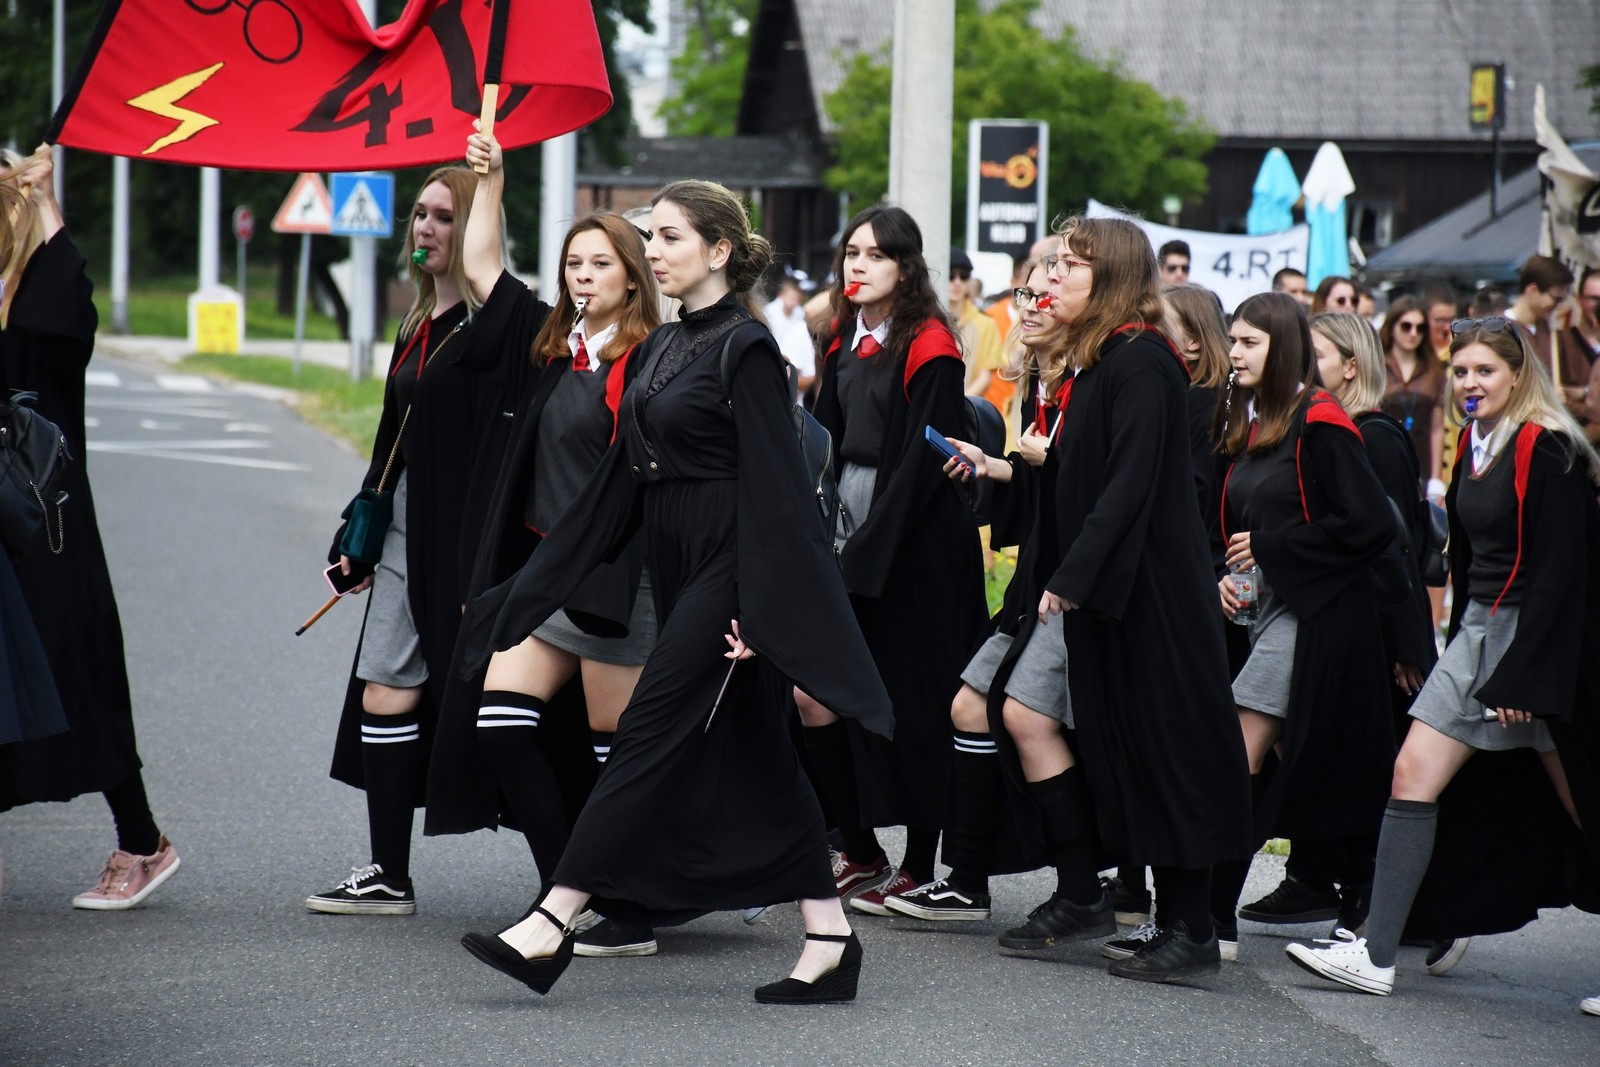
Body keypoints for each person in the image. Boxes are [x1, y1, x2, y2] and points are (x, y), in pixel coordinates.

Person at [456, 179, 893, 1004]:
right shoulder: (658, 348)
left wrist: (764, 611)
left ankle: (552, 920)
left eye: (668, 238)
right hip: (681, 566)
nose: (651, 251)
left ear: (719, 250)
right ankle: (831, 938)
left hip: (732, 575)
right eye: (649, 238)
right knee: (764, 757)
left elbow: (781, 493)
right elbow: (616, 490)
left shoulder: (748, 349)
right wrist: (525, 589)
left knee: (646, 733)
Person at [1286, 317, 1600, 998]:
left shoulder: (1548, 449)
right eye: (1460, 370)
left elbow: (1562, 573)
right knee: (1411, 771)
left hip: (1537, 643)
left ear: (1519, 374)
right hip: (1480, 636)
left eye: (1484, 370)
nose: (1468, 382)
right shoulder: (1477, 442)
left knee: (1586, 802)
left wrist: (1525, 670)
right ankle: (1377, 952)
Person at [990, 216, 1251, 981]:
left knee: (1171, 754)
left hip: (1157, 596)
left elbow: (1131, 483)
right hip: (1116, 596)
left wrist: (1071, 577)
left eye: (1072, 266)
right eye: (1056, 262)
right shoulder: (1100, 363)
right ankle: (1166, 919)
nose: (1052, 278)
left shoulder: (1143, 360)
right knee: (1134, 755)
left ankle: (1194, 929)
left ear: (1111, 280)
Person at [422, 132, 664, 956]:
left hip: (622, 583)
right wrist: (491, 180)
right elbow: (484, 267)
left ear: (632, 275)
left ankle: (625, 910)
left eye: (598, 264)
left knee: (615, 757)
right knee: (500, 718)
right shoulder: (553, 347)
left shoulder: (654, 361)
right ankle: (566, 890)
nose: (581, 276)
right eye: (573, 264)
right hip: (552, 578)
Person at [307, 164, 506, 915]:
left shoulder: (494, 330)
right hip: (403, 531)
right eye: (420, 215)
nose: (426, 228)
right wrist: (358, 531)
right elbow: (392, 439)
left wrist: (489, 187)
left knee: (513, 711)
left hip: (472, 542)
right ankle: (389, 871)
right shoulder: (414, 324)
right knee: (386, 686)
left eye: (445, 217)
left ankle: (581, 879)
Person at [0, 147, 179, 910]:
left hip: (44, 531)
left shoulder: (39, 297)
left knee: (81, 680)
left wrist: (44, 201)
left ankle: (142, 841)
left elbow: (70, 297)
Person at [798, 206, 987, 916]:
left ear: (905, 267)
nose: (857, 266)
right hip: (850, 516)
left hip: (916, 537)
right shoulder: (844, 337)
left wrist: (865, 554)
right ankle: (860, 847)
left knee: (917, 694)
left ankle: (917, 863)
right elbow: (826, 438)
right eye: (850, 253)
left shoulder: (931, 343)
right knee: (816, 691)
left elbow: (917, 464)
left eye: (873, 255)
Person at [1208, 293, 1398, 960]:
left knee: (1239, 751)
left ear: (1281, 348)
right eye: (1232, 341)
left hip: (1317, 618)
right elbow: (1233, 528)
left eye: (1248, 343)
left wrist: (1271, 549)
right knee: (1308, 770)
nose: (1234, 354)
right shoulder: (1252, 420)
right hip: (1265, 613)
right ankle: (1368, 902)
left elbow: (1373, 525)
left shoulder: (1320, 423)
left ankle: (1210, 921)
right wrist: (1228, 577)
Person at [1240, 313, 1439, 933]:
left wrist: (1407, 644)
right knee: (1323, 759)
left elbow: (1392, 542)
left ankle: (1378, 904)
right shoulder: (1295, 427)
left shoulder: (1368, 435)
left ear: (1348, 365)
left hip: (1368, 622)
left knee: (1357, 765)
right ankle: (1312, 879)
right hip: (1314, 606)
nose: (1308, 372)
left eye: (1317, 357)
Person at [880, 259, 1062, 924]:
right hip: (1040, 576)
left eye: (1049, 290)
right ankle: (968, 878)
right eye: (1026, 292)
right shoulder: (1039, 378)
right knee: (974, 705)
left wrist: (1036, 463)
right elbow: (1044, 481)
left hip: (1079, 583)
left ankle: (1108, 888)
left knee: (1033, 718)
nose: (1033, 303)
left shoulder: (1105, 374)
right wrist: (999, 466)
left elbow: (1106, 483)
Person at [1506, 255, 1585, 414]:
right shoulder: (1501, 330)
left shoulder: (1554, 333)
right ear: (1533, 290)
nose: (1559, 306)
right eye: (1556, 299)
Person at [1378, 295, 1444, 481]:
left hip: (1420, 465)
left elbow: (1437, 428)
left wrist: (1436, 478)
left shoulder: (1434, 370)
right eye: (1406, 326)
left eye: (1420, 327)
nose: (1413, 333)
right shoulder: (1376, 366)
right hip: (1381, 461)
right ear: (1391, 327)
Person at [949, 247, 1006, 399]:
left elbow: (985, 378)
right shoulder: (925, 319)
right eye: (951, 275)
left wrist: (958, 405)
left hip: (968, 408)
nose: (957, 282)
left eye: (964, 276)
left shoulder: (986, 323)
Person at [763, 276, 817, 402]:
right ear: (782, 295)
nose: (793, 301)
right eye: (791, 297)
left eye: (796, 299)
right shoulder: (770, 312)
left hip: (794, 358)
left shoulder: (800, 314)